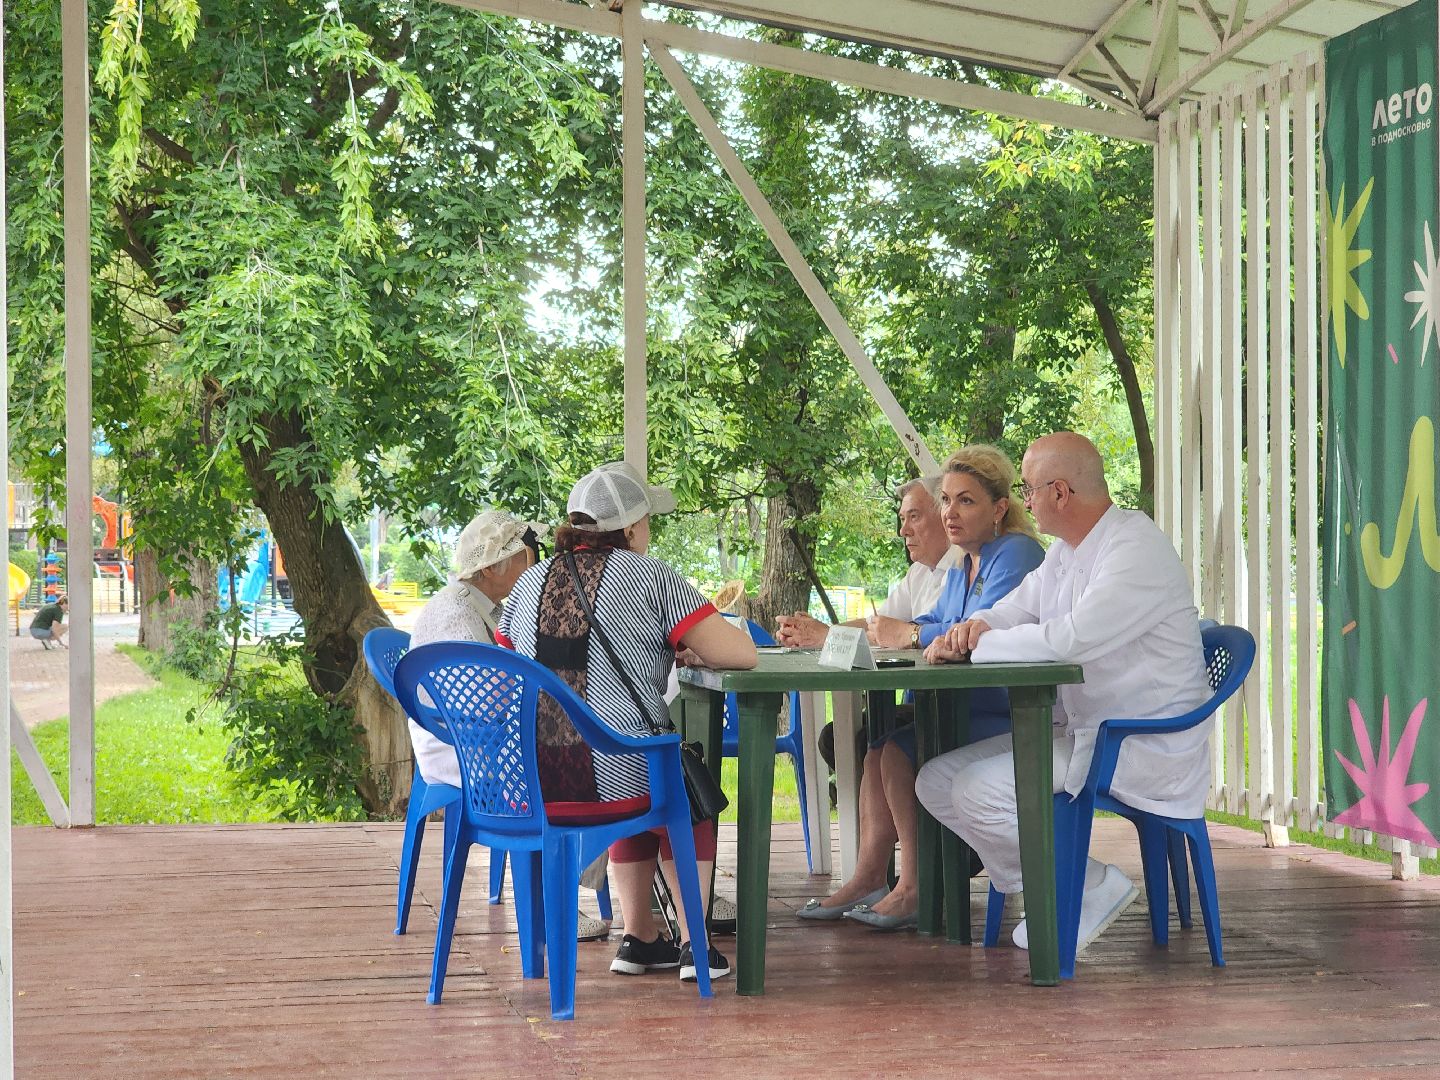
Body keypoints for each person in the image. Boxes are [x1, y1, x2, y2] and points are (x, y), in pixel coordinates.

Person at [915, 432, 1212, 953]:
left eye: (1028, 489)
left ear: (1059, 493)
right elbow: (1018, 609)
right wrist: (973, 627)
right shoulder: (1066, 552)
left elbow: (1069, 640)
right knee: (935, 781)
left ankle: (1080, 888)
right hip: (1083, 731)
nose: (1023, 502)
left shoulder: (1133, 549)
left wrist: (980, 646)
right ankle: (1078, 884)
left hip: (1139, 742)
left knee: (975, 792)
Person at [497, 461, 758, 984]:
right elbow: (742, 654)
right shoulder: (653, 574)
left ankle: (640, 938)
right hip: (620, 768)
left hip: (532, 775)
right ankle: (695, 945)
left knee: (627, 762)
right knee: (681, 789)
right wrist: (687, 648)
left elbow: (510, 655)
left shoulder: (528, 582)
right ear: (634, 527)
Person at [797, 447, 1045, 929]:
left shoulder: (1016, 553)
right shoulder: (965, 564)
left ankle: (915, 885)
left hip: (1014, 709)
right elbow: (931, 622)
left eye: (965, 501)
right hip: (964, 705)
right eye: (947, 500)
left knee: (894, 750)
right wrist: (839, 634)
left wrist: (909, 634)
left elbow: (972, 633)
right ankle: (870, 875)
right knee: (877, 748)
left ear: (999, 508)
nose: (950, 513)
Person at [408, 511, 610, 942]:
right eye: (524, 556)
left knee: (585, 759)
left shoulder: (481, 607)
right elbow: (489, 704)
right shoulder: (457, 616)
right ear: (491, 568)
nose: (534, 563)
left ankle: (575, 890)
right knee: (589, 769)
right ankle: (556, 902)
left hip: (475, 741)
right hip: (465, 751)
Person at [775, 476, 959, 649]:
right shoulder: (918, 572)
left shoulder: (966, 567)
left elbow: (902, 635)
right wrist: (824, 632)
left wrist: (827, 636)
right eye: (902, 519)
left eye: (914, 517)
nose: (903, 531)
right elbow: (876, 625)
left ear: (944, 517)